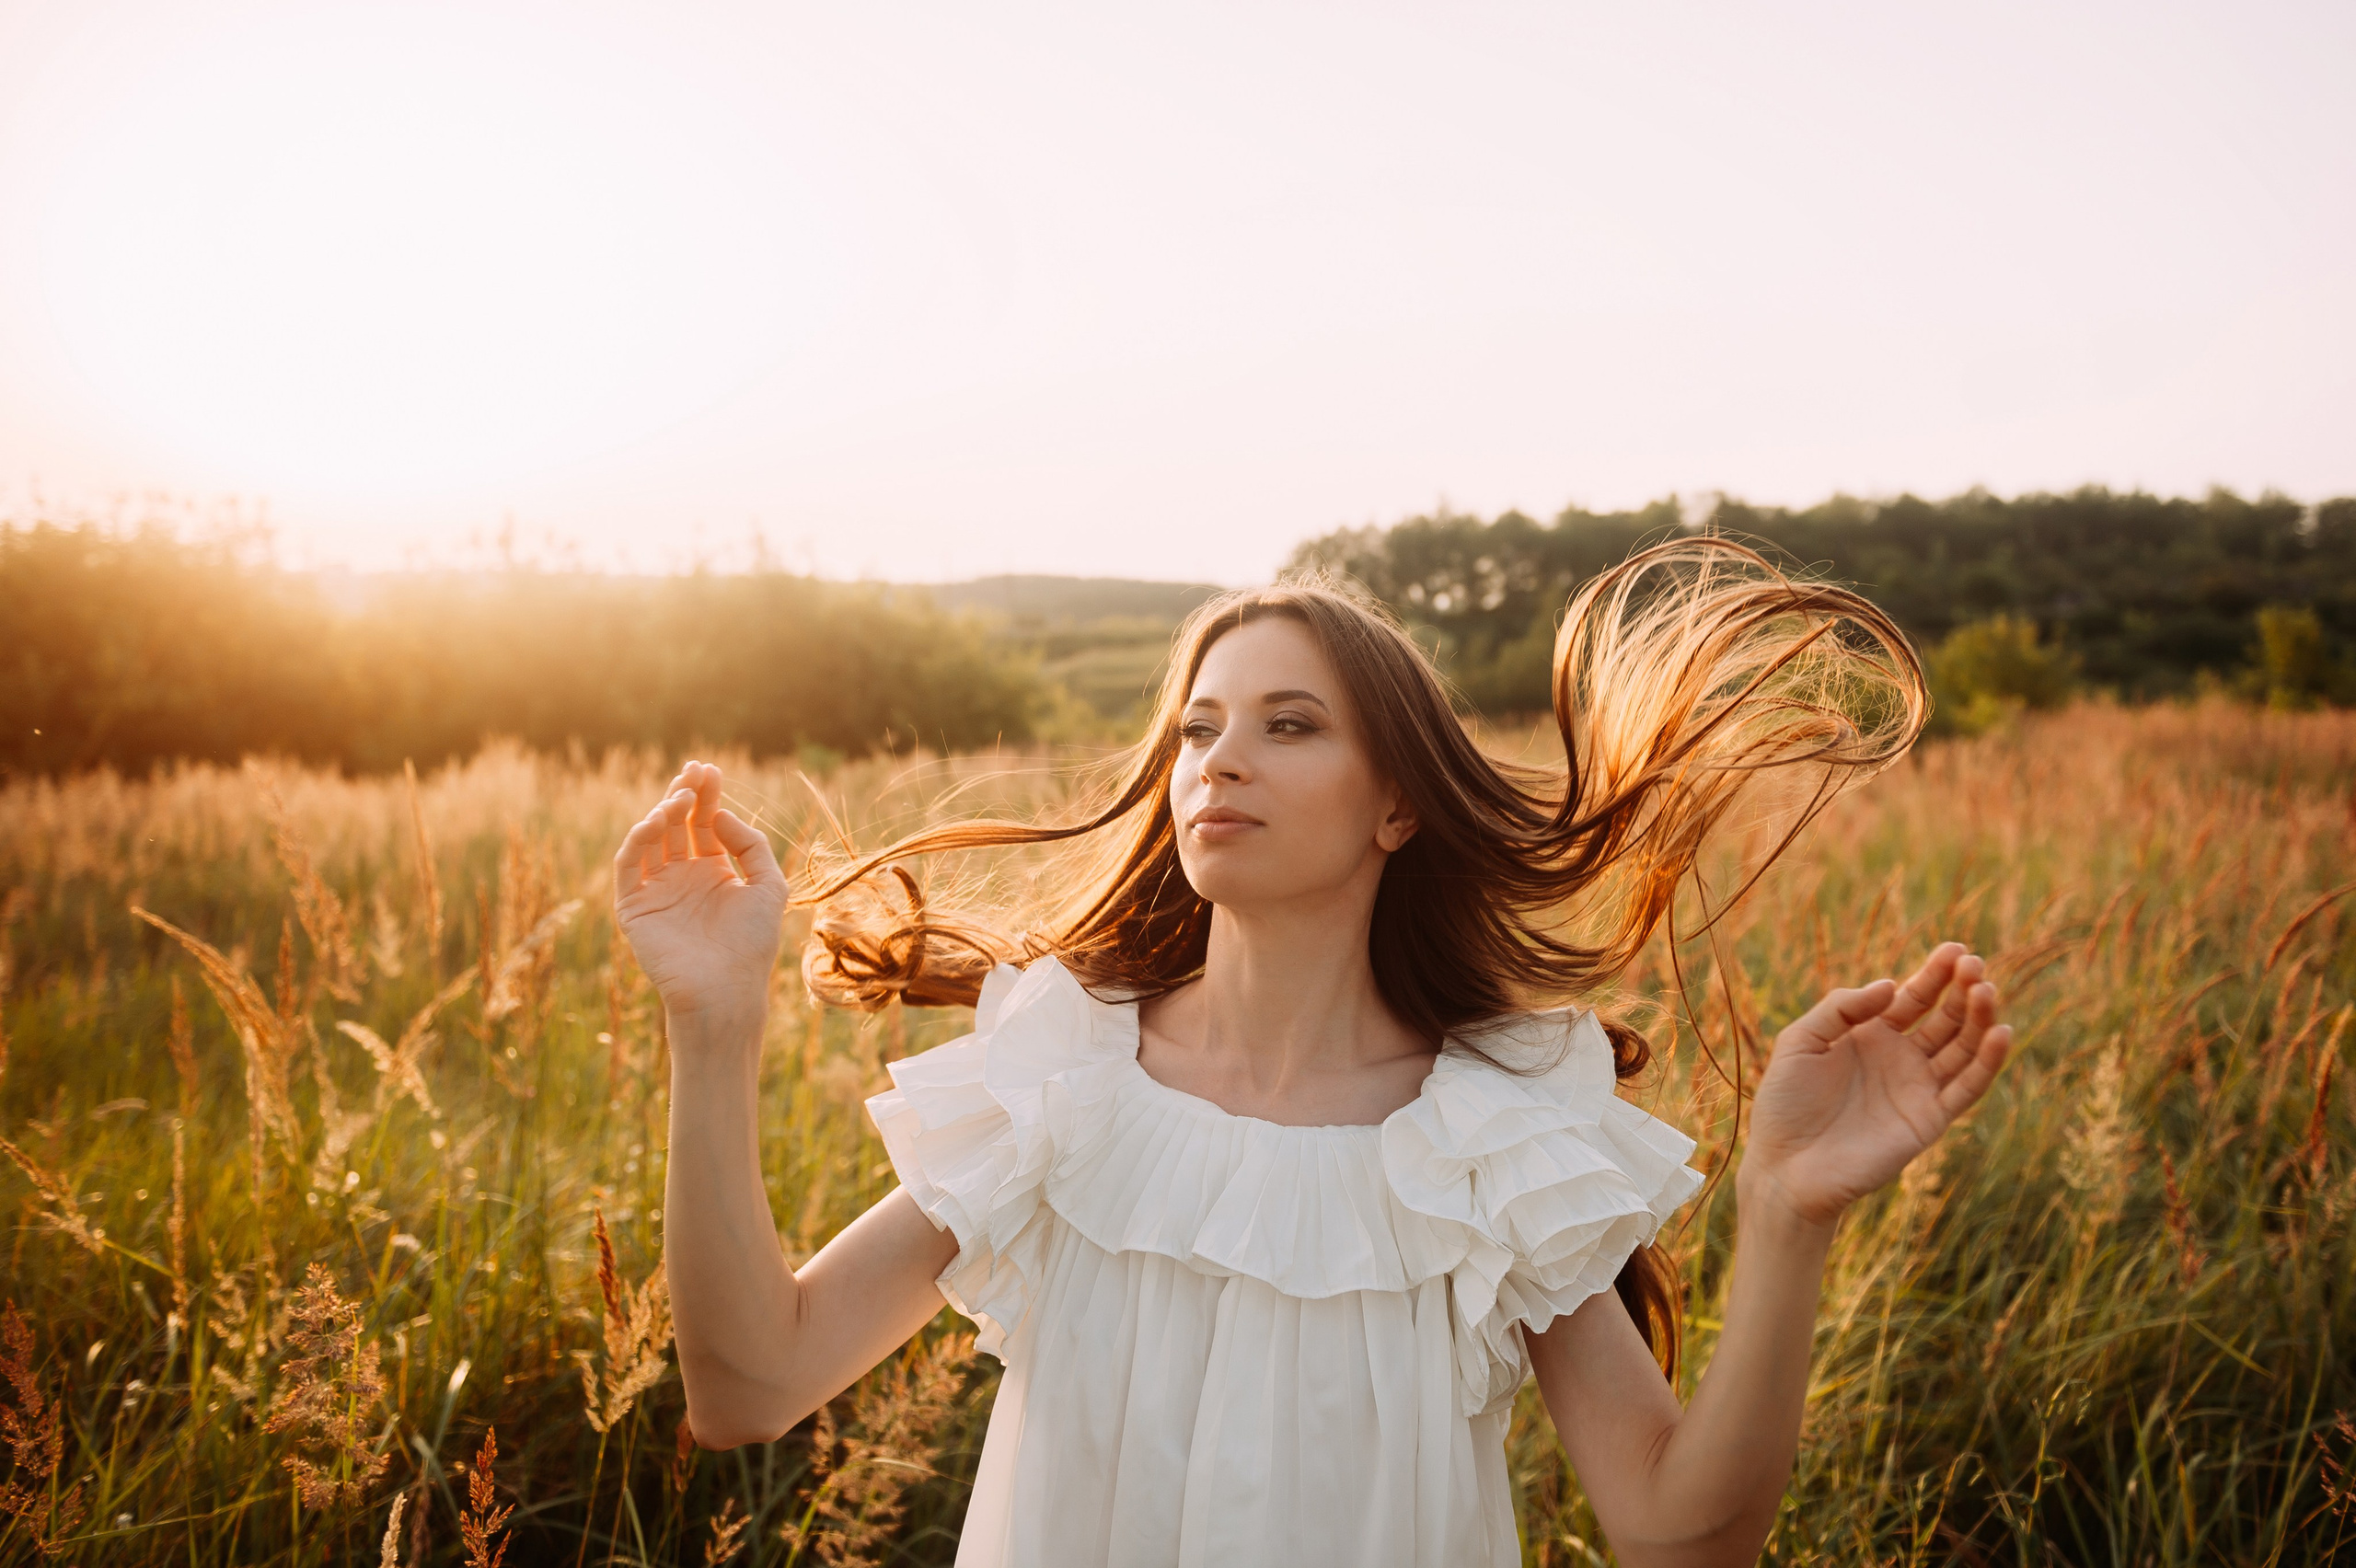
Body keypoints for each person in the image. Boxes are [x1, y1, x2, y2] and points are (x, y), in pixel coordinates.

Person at [614, 538, 2014, 1568]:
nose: (1219, 761)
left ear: (1398, 807)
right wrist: (712, 1018)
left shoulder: (1488, 1141)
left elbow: (1677, 1535)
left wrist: (1787, 1210)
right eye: (1199, 729)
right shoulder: (1064, 1085)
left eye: (1289, 726)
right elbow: (748, 1385)